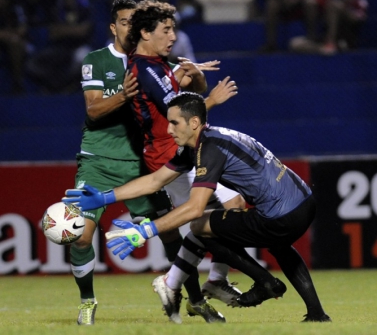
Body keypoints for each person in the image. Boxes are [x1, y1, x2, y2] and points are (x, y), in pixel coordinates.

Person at [63, 91, 331, 323]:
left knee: (199, 225)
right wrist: (105, 198)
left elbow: (193, 208)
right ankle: (316, 312)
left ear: (193, 122)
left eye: (173, 123)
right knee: (278, 243)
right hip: (304, 203)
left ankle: (265, 282)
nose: (168, 130)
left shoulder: (209, 148)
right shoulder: (206, 141)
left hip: (280, 216)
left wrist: (144, 232)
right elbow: (156, 180)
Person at [69, 0, 241, 326]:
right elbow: (92, 110)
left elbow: (183, 97)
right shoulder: (98, 60)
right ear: (114, 27)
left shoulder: (157, 60)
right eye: (125, 22)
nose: (131, 28)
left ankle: (195, 300)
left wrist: (194, 75)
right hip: (100, 160)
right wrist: (123, 95)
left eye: (136, 22)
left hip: (140, 161)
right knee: (80, 235)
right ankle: (88, 301)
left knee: (172, 235)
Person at [122, 0, 246, 323]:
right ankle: (186, 282)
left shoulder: (159, 65)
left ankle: (203, 282)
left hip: (185, 150)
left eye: (173, 28)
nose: (173, 36)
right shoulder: (144, 71)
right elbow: (177, 116)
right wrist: (211, 101)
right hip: (171, 156)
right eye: (166, 29)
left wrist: (193, 76)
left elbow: (187, 91)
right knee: (216, 216)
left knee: (225, 211)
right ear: (146, 33)